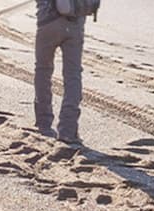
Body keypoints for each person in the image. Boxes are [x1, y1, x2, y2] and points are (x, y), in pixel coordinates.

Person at [34, 0, 87, 144]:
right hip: (75, 24)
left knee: (43, 71)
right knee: (73, 75)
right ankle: (68, 130)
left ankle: (44, 122)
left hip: (47, 22)